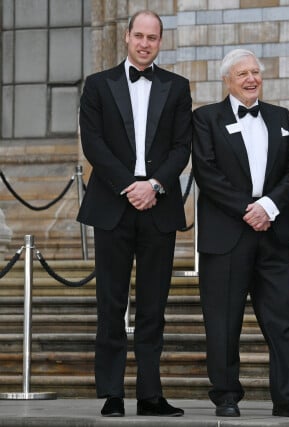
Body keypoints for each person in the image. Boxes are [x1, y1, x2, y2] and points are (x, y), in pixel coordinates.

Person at [191, 48, 289, 419]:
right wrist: (248, 208)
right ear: (227, 80)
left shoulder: (280, 117)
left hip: (273, 236)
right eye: (242, 73)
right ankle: (226, 395)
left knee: (284, 321)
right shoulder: (206, 119)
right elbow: (207, 173)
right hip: (226, 236)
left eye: (256, 72)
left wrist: (269, 208)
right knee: (223, 321)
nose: (251, 79)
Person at [77, 10, 191, 418]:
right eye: (139, 36)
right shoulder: (98, 85)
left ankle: (150, 395)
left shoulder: (177, 87)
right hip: (113, 204)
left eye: (153, 37)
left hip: (158, 205)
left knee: (153, 306)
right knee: (110, 302)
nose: (145, 43)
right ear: (126, 37)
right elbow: (93, 144)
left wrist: (153, 185)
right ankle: (111, 393)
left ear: (161, 42)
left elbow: (182, 146)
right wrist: (130, 185)